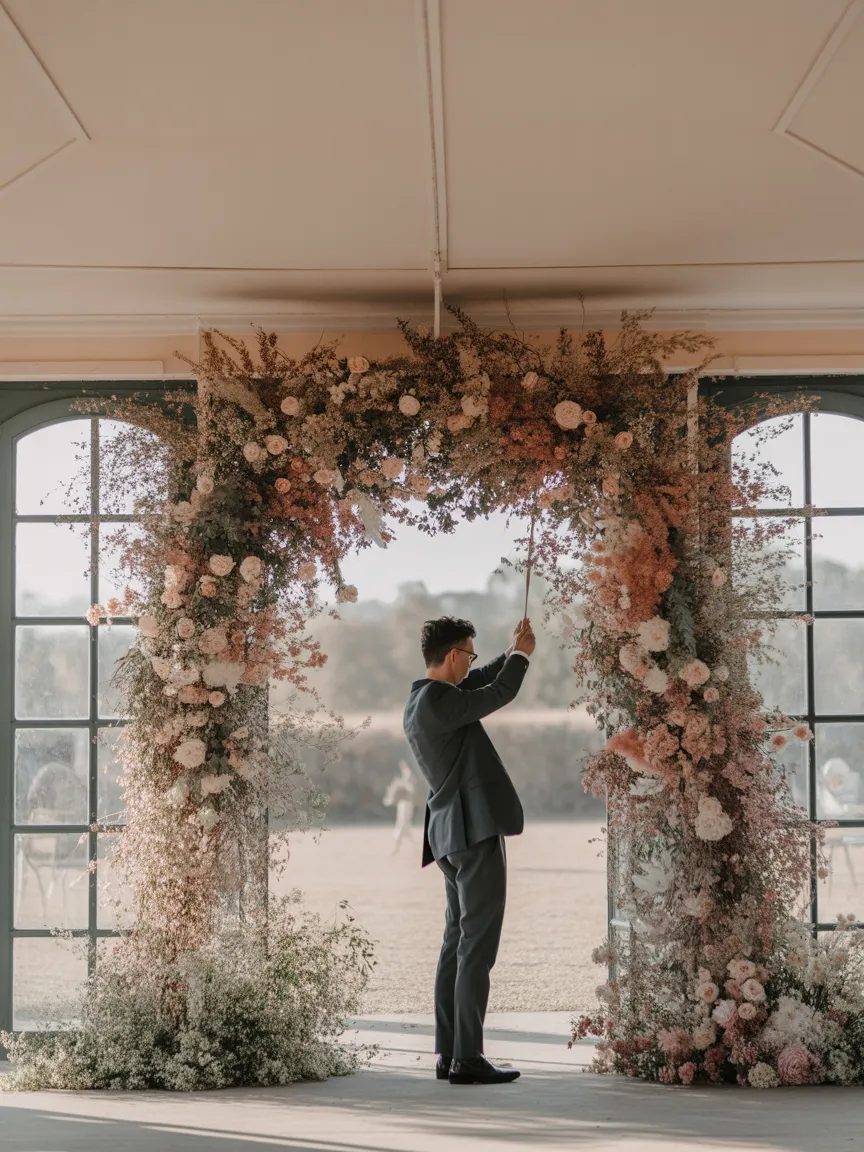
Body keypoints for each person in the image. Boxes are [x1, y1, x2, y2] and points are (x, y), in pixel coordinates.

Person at [403, 614, 535, 1086]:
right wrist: (521, 659)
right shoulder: (441, 702)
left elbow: (479, 682)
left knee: (456, 943)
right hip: (473, 832)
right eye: (471, 655)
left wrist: (509, 651)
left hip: (449, 836)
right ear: (454, 654)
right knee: (476, 947)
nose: (472, 664)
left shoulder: (422, 698)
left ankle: (449, 1053)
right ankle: (468, 1059)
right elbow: (496, 694)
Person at [383, 759, 417, 853]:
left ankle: (396, 847)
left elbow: (410, 790)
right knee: (404, 826)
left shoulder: (409, 776)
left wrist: (400, 784)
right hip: (403, 803)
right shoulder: (405, 776)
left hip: (407, 803)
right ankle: (414, 848)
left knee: (402, 825)